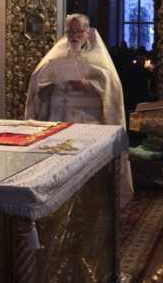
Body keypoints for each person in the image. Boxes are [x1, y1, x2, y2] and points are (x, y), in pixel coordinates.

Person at [25, 13, 133, 203]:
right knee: (58, 164)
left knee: (85, 166)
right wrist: (52, 81)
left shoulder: (98, 57)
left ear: (87, 33)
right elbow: (38, 81)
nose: (74, 36)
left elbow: (111, 87)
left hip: (88, 121)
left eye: (79, 32)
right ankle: (57, 200)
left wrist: (89, 85)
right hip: (59, 118)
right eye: (70, 32)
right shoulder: (57, 54)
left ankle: (89, 202)